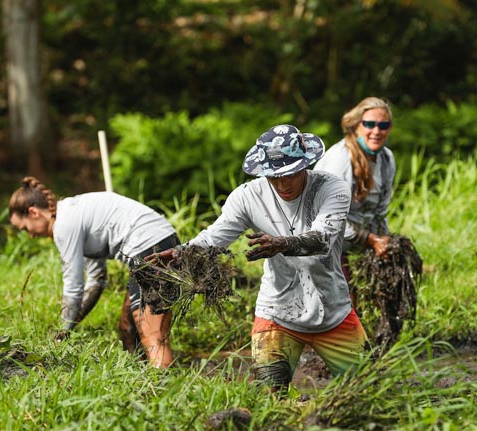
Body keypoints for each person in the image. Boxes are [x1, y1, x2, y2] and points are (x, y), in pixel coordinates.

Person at [152, 124, 368, 391]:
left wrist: (282, 244)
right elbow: (215, 237)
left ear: (305, 164)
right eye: (274, 176)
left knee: (367, 388)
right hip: (277, 313)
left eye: (291, 173)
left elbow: (324, 238)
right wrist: (181, 253)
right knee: (269, 394)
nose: (283, 184)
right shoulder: (247, 197)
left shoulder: (331, 188)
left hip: (332, 311)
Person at [8, 177, 179, 368]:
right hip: (164, 243)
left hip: (150, 248)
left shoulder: (64, 225)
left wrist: (61, 332)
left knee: (152, 336)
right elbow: (97, 280)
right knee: (128, 328)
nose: (30, 235)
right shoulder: (73, 215)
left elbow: (73, 288)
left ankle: (165, 388)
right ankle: (141, 380)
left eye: (25, 228)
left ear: (34, 213)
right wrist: (69, 327)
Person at [314, 97, 395, 263]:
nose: (377, 131)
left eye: (383, 125)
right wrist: (371, 239)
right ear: (356, 126)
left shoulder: (386, 158)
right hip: (325, 239)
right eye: (370, 124)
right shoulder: (341, 158)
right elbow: (328, 217)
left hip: (358, 239)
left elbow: (380, 211)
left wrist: (384, 238)